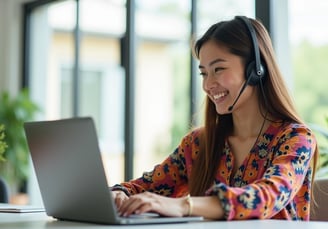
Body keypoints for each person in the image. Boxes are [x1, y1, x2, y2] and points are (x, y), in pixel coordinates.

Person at [111, 15, 318, 221]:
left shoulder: (296, 139)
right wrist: (119, 194)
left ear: (256, 69)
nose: (207, 85)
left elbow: (267, 196)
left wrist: (185, 205)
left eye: (218, 69)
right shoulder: (197, 144)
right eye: (203, 73)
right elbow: (145, 186)